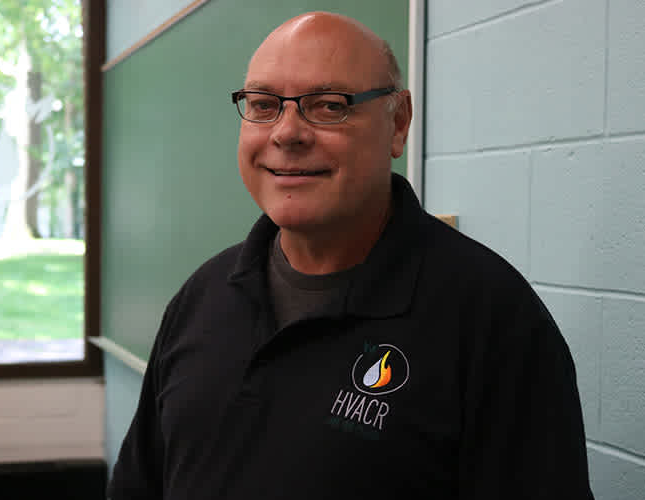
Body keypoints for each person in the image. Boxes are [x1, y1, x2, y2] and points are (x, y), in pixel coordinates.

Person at [107, 11, 595, 500]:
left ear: (398, 124)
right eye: (263, 105)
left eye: (328, 106)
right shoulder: (202, 297)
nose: (286, 133)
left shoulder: (493, 319)